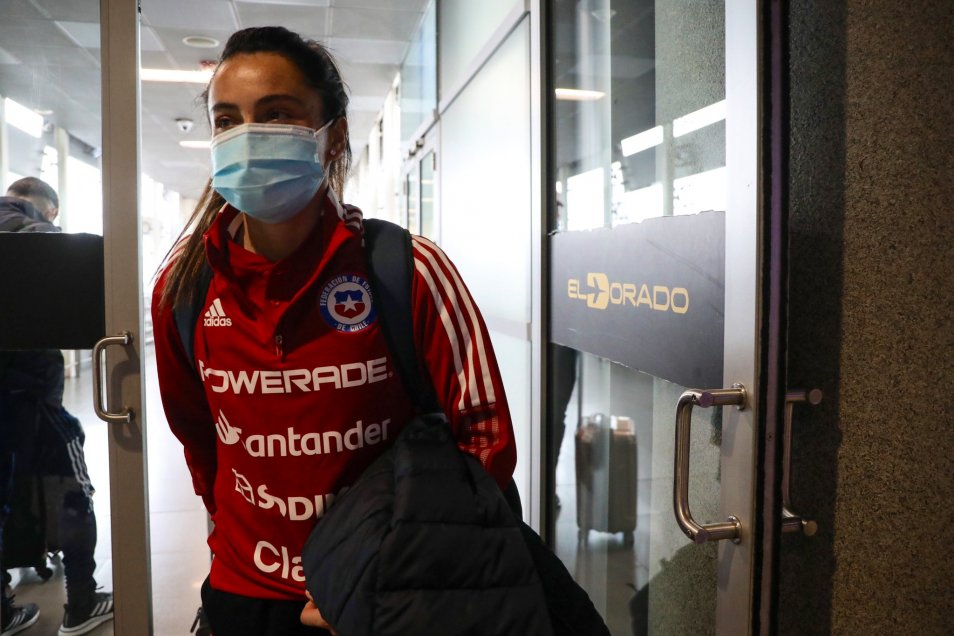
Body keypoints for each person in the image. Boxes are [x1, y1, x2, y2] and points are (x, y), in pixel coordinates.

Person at [151, 27, 517, 635]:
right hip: (245, 590)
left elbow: (483, 440)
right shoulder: (184, 289)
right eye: (227, 120)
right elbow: (200, 439)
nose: (246, 135)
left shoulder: (408, 271)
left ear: (333, 135)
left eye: (276, 114)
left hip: (383, 593)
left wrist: (386, 570)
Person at [0, 177, 114, 635]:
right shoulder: (33, 232)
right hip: (29, 397)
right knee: (72, 491)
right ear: (48, 210)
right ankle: (82, 605)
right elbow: (81, 276)